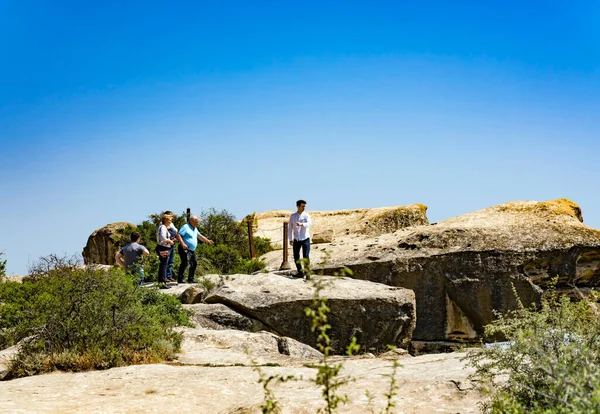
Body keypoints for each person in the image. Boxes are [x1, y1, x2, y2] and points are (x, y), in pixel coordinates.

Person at [177, 215, 213, 284]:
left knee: (194, 263)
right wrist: (183, 244)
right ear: (191, 221)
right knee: (185, 263)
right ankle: (180, 279)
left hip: (191, 250)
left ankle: (191, 279)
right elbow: (178, 235)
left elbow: (199, 236)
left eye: (197, 222)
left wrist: (207, 240)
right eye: (195, 222)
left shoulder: (195, 228)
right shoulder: (185, 227)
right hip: (184, 248)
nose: (197, 223)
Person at [288, 199, 312, 279]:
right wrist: (290, 239)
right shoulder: (292, 216)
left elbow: (309, 223)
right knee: (296, 257)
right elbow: (290, 228)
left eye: (304, 206)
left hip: (305, 238)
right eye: (302, 206)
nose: (303, 208)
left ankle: (307, 274)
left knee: (306, 256)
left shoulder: (306, 215)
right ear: (298, 206)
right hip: (296, 239)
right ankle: (300, 272)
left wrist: (302, 224)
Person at [156, 214, 176, 288]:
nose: (170, 221)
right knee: (164, 265)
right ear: (165, 220)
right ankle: (162, 282)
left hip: (164, 247)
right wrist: (170, 241)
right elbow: (163, 238)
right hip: (163, 247)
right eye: (169, 220)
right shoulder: (163, 227)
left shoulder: (163, 227)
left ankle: (161, 281)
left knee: (163, 264)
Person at [163, 210, 181, 283]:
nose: (172, 217)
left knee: (170, 261)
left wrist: (175, 238)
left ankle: (169, 276)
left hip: (172, 244)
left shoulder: (171, 224)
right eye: (171, 215)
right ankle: (165, 277)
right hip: (167, 245)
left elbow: (175, 232)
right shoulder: (163, 224)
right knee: (165, 261)